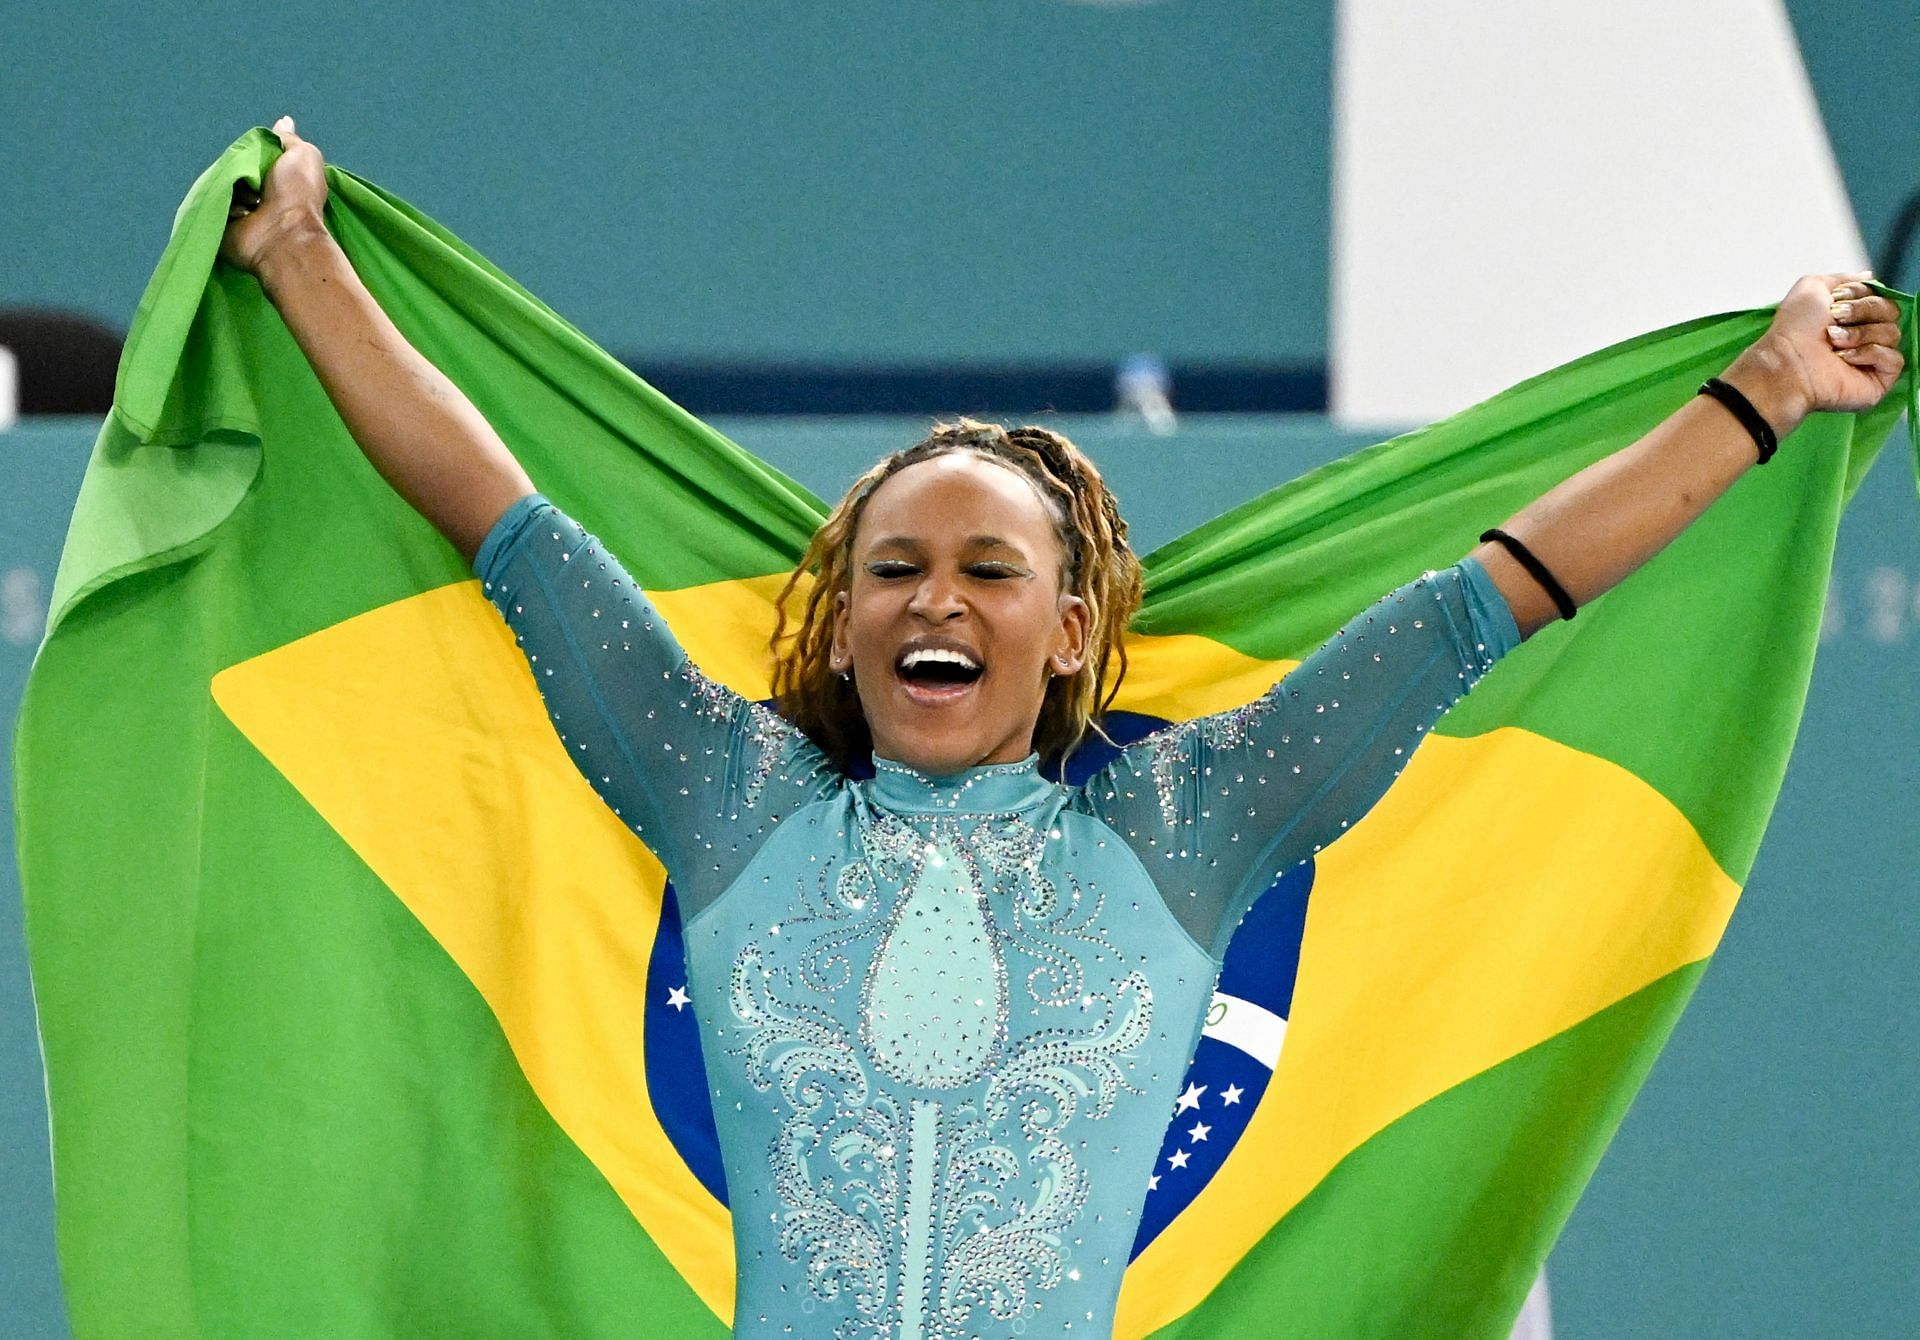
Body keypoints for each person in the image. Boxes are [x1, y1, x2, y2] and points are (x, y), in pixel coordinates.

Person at [221, 117, 1903, 1338]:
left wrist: (1764, 391)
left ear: (1073, 628)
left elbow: (1497, 596)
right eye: (893, 569)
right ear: (849, 618)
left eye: (984, 570)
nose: (934, 601)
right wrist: (297, 254)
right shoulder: (728, 802)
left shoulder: (1186, 830)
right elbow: (503, 524)